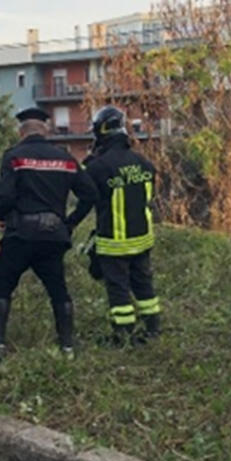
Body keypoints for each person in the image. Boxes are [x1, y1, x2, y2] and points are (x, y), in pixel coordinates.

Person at [0, 107, 99, 361]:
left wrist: (2, 217)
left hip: (20, 235)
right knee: (58, 290)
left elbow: (4, 197)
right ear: (46, 130)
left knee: (2, 288)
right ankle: (67, 346)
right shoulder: (66, 159)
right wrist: (69, 223)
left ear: (21, 131)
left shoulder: (14, 157)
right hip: (53, 236)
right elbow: (90, 194)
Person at [68, 105, 161, 345]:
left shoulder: (98, 167)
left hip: (114, 242)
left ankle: (123, 335)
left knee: (118, 289)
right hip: (143, 239)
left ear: (101, 132)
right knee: (143, 285)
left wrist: (69, 224)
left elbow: (87, 199)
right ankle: (153, 330)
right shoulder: (144, 163)